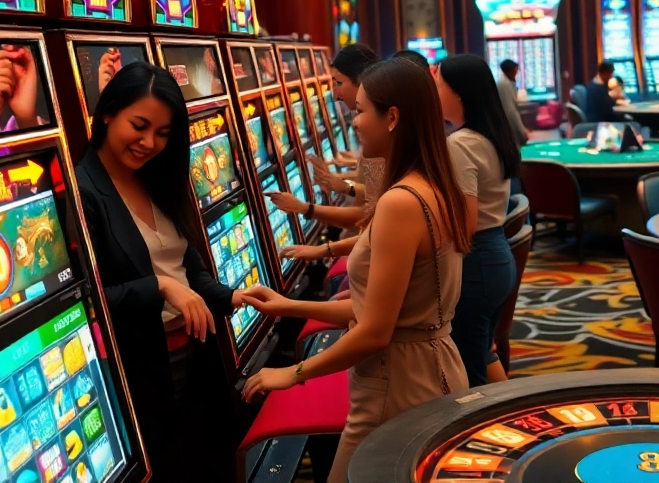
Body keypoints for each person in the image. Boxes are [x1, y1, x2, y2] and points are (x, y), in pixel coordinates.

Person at [241, 60, 470, 483]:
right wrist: (289, 305)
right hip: (428, 365)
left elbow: (376, 330)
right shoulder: (432, 184)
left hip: (394, 383)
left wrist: (291, 374)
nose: (354, 121)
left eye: (361, 110)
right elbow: (382, 312)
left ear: (393, 117)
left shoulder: (400, 203)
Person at [74, 62, 246, 480]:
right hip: (143, 372)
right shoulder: (83, 190)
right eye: (140, 125)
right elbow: (86, 304)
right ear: (108, 113)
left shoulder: (159, 178)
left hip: (198, 354)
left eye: (163, 134)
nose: (149, 142)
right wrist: (160, 288)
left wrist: (232, 297)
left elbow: (190, 270)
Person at [436, 54, 520, 386]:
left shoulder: (461, 144)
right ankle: (515, 420)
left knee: (468, 374)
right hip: (496, 253)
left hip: (477, 262)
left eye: (438, 84)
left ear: (458, 92)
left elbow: (465, 224)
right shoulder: (488, 135)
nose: (434, 91)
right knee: (483, 354)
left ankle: (492, 436)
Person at [268, 44, 382, 249]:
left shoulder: (379, 134)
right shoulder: (377, 131)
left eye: (338, 83)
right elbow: (376, 195)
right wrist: (342, 184)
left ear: (363, 80)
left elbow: (366, 214)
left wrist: (304, 208)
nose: (335, 95)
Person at [497, 59, 529, 147]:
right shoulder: (504, 84)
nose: (516, 73)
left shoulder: (506, 83)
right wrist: (521, 131)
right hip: (508, 127)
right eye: (515, 71)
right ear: (509, 71)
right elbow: (510, 110)